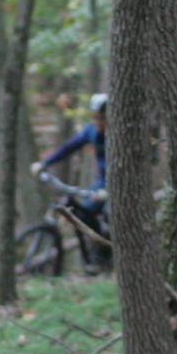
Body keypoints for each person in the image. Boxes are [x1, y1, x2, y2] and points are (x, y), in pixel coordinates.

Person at [34, 93, 110, 245]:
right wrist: (45, 163)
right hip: (102, 180)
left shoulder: (119, 135)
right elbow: (68, 147)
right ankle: (99, 249)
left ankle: (108, 246)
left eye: (101, 118)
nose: (97, 122)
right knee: (86, 210)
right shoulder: (91, 131)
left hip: (117, 183)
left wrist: (110, 190)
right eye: (94, 118)